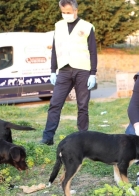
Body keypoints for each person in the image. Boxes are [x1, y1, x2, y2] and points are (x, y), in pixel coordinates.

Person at [40, 0, 97, 145]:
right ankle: (47, 138)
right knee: (55, 104)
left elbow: (93, 52)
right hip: (64, 70)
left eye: (68, 12)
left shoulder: (87, 27)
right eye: (63, 12)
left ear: (75, 10)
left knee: (82, 106)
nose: (66, 15)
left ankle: (83, 139)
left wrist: (93, 73)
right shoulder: (58, 26)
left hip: (83, 71)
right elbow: (55, 50)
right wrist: (53, 71)